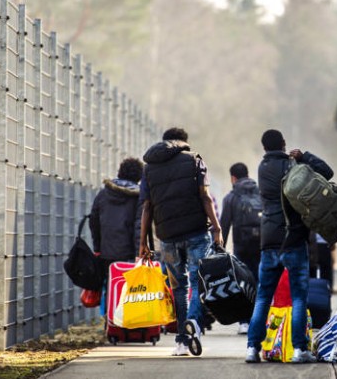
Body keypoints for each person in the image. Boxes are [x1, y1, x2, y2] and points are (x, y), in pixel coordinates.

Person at [245, 129, 333, 363]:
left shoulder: (262, 169)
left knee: (263, 296)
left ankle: (252, 349)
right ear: (283, 144)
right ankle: (298, 350)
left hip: (269, 240)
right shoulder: (294, 166)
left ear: (264, 147)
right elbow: (327, 173)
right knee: (298, 298)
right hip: (293, 239)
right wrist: (305, 157)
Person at [139, 127, 223, 357]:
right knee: (198, 283)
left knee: (178, 287)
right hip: (196, 233)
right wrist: (216, 227)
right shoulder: (194, 160)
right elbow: (205, 196)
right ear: (183, 143)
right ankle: (194, 324)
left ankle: (181, 342)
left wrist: (142, 244)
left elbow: (146, 206)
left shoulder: (148, 169)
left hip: (166, 239)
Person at [220, 162, 262, 335]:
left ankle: (244, 322)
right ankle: (260, 319)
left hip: (242, 246)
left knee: (243, 282)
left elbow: (224, 225)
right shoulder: (262, 193)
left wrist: (220, 248)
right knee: (261, 281)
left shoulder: (231, 197)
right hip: (262, 244)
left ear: (233, 178)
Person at [90, 157, 144, 273]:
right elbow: (139, 227)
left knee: (110, 285)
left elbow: (94, 222)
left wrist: (98, 248)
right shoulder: (139, 197)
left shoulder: (103, 194)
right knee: (128, 288)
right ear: (139, 176)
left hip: (107, 253)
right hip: (129, 254)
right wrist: (139, 254)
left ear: (120, 172)